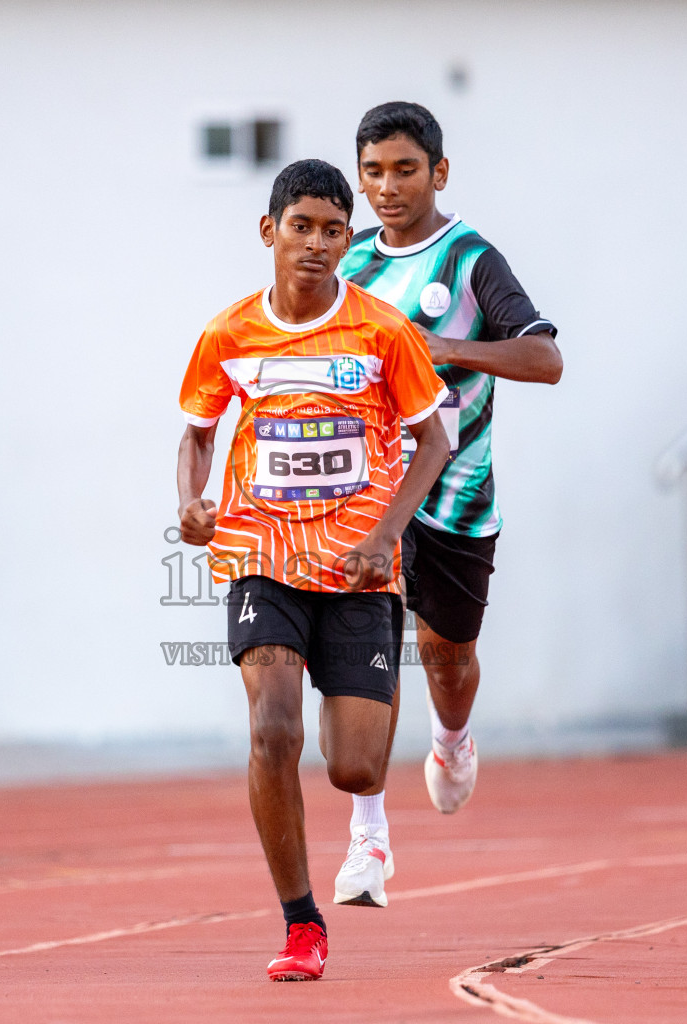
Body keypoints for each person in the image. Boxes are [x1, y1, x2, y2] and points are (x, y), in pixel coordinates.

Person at [176, 159, 450, 981]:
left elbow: (434, 440)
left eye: (335, 230)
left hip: (362, 569)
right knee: (272, 730)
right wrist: (192, 500)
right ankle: (302, 925)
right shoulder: (229, 334)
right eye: (302, 227)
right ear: (270, 231)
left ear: (348, 239)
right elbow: (194, 432)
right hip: (261, 556)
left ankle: (369, 816)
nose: (318, 244)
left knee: (353, 764)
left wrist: (386, 537)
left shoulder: (381, 331)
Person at [333, 102, 562, 900]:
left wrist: (449, 348)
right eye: (373, 172)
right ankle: (368, 838)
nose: (387, 187)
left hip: (458, 495)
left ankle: (453, 738)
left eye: (403, 169)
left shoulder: (469, 260)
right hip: (368, 494)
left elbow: (546, 358)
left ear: (439, 171)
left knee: (447, 657)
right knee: (368, 652)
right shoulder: (349, 262)